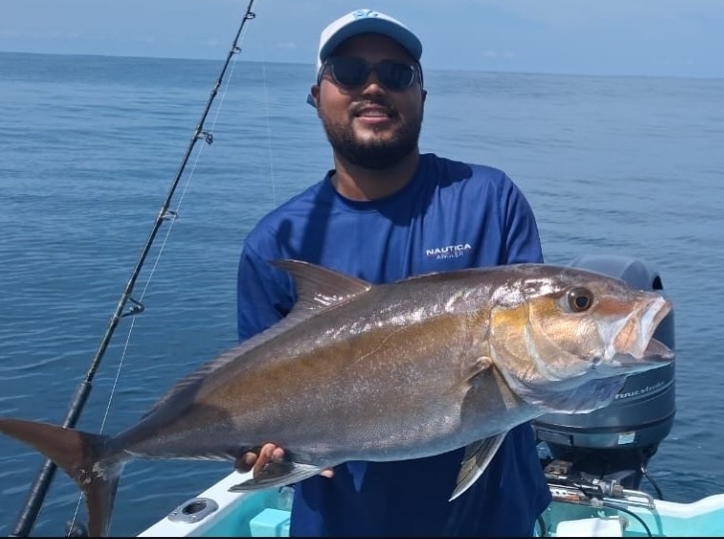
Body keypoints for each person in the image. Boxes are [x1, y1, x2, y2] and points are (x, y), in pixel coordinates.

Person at [232, 8, 552, 537]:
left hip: (492, 519)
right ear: (317, 95)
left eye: (398, 74)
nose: (374, 87)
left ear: (422, 96)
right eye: (350, 72)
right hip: (342, 523)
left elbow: (530, 359)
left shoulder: (489, 200)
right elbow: (255, 398)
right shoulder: (276, 243)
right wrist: (256, 447)